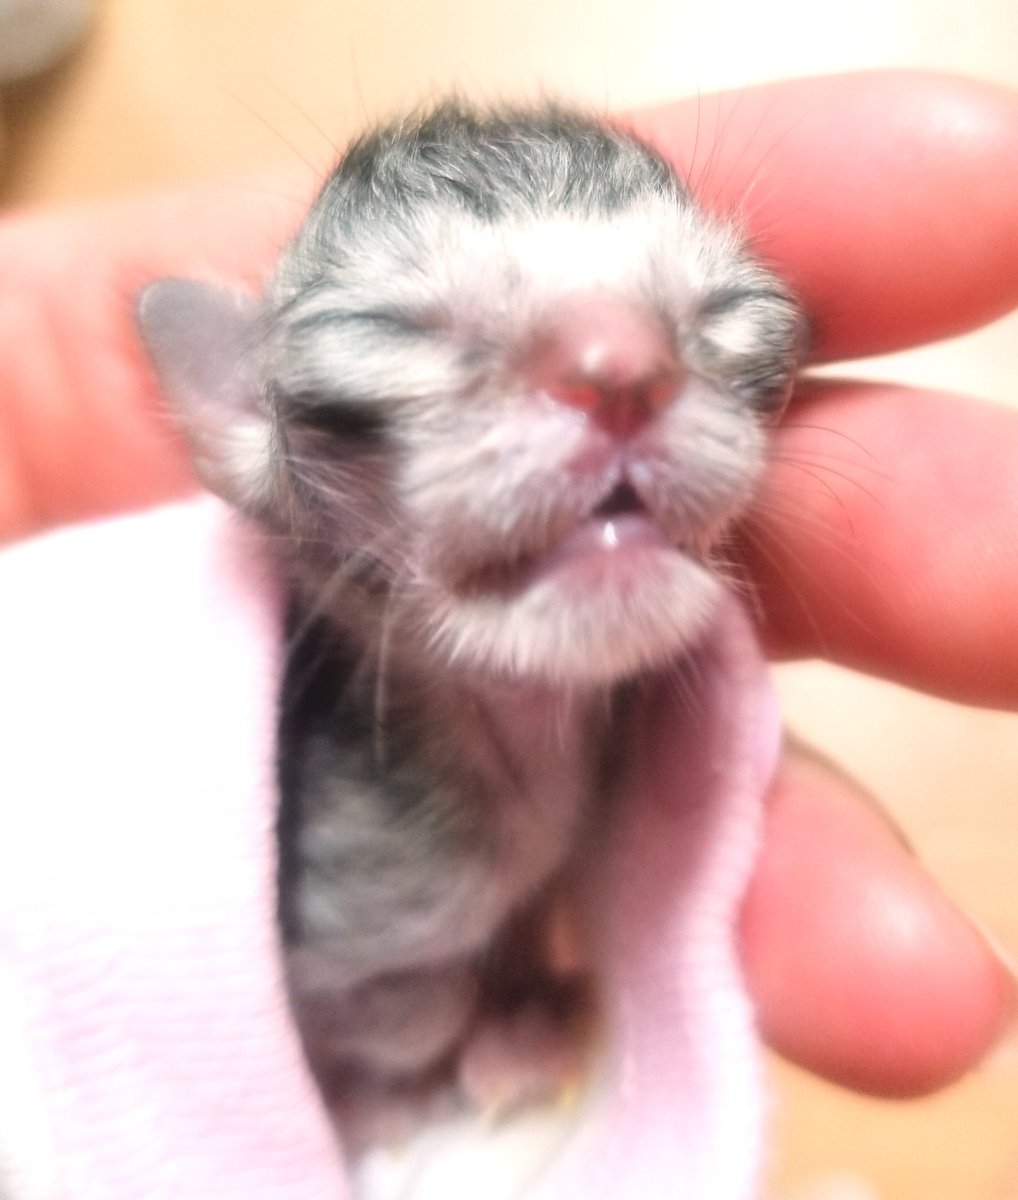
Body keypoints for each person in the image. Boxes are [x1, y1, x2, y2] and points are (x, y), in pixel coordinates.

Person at [1, 69, 1015, 1101]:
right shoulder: (346, 838)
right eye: (392, 332)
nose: (623, 364)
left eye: (719, 312)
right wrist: (430, 1033)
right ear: (242, 419)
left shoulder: (635, 753)